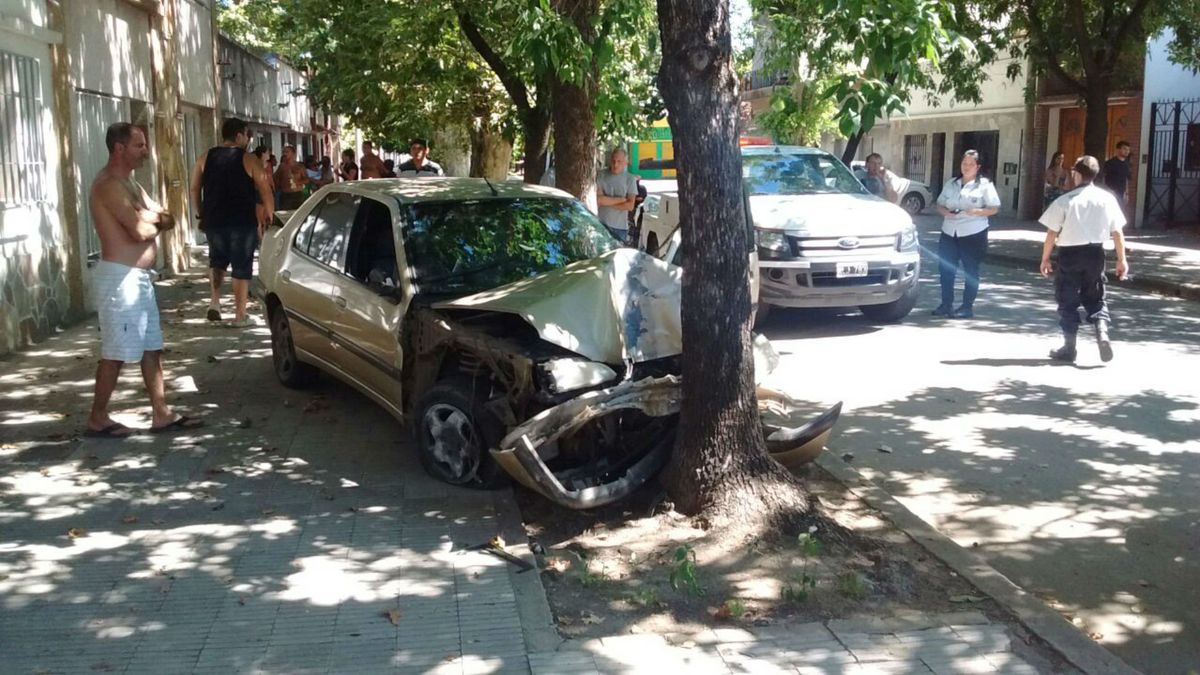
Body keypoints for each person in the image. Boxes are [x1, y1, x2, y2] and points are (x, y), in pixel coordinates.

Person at [86, 122, 203, 438]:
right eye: (139, 145)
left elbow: (168, 216)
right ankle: (98, 417)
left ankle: (161, 413)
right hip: (120, 281)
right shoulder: (109, 184)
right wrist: (150, 220)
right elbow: (138, 231)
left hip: (140, 280)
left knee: (152, 347)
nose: (146, 151)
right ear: (120, 148)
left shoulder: (133, 185)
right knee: (116, 352)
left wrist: (148, 215)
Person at [1039, 155, 1129, 363]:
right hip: (1095, 254)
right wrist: (1121, 259)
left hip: (1069, 255)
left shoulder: (1066, 200)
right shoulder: (1107, 199)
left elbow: (1052, 233)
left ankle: (1069, 348)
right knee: (1096, 297)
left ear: (1076, 174)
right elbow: (1117, 233)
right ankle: (1102, 334)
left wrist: (1045, 259)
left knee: (1067, 299)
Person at [190, 117, 275, 328]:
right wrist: (270, 215)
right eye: (247, 135)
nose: (248, 139)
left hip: (214, 220)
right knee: (241, 265)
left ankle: (215, 302)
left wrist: (200, 212)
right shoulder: (248, 159)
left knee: (216, 260)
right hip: (241, 221)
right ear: (238, 135)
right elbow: (264, 189)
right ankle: (240, 314)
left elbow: (194, 188)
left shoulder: (204, 157)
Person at [932, 149, 1001, 318]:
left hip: (973, 233)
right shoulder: (951, 183)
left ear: (978, 167)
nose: (967, 167)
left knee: (971, 270)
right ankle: (946, 304)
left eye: (971, 164)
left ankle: (967, 306)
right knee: (946, 269)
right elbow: (939, 204)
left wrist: (977, 211)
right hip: (949, 231)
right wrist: (945, 212)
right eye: (964, 163)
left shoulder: (984, 185)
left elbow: (994, 209)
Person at [596, 147, 638, 243]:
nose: (615, 164)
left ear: (625, 163)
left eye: (619, 161)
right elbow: (599, 200)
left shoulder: (630, 179)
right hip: (601, 224)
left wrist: (607, 202)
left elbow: (630, 206)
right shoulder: (601, 175)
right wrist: (622, 200)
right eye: (613, 161)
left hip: (620, 228)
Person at [1102, 140, 1132, 205]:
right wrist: (1107, 191)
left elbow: (1126, 179)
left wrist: (1126, 193)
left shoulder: (1127, 164)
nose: (1127, 151)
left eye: (1128, 149)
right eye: (1124, 149)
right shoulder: (1110, 163)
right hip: (1110, 193)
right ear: (1118, 150)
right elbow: (1103, 178)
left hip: (1122, 194)